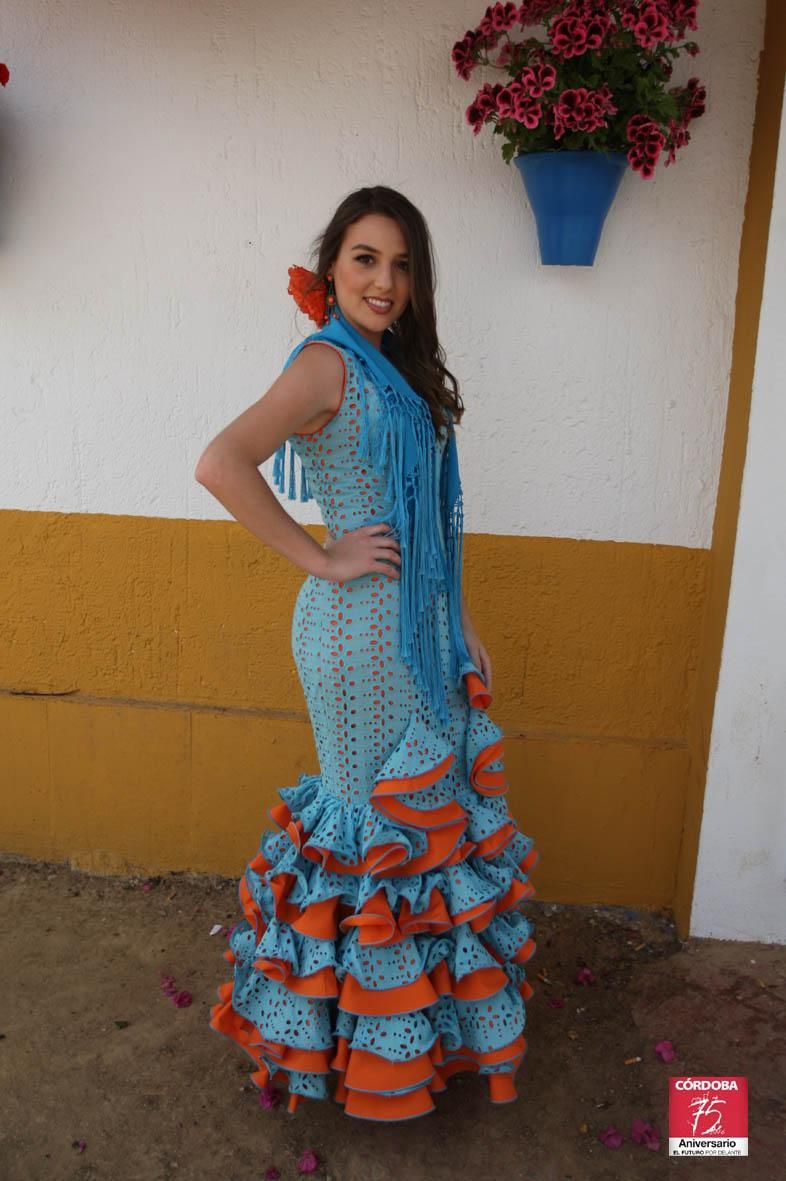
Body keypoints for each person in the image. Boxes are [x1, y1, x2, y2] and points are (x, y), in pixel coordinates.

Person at [195, 185, 539, 1122]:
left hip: (421, 631)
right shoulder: (326, 363)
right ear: (333, 265)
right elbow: (221, 460)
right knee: (370, 835)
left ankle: (414, 1040)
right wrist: (320, 554)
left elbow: (428, 516)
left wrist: (458, 614)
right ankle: (349, 1060)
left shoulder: (401, 368)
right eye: (364, 259)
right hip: (354, 638)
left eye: (400, 263)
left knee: (425, 827)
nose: (383, 280)